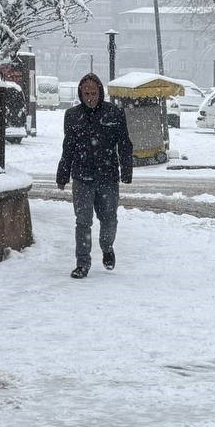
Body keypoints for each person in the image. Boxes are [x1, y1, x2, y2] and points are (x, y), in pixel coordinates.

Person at [55, 73, 133, 279]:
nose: (90, 97)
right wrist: (63, 173)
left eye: (94, 92)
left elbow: (124, 144)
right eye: (86, 93)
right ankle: (82, 262)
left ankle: (107, 247)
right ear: (80, 93)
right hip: (81, 177)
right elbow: (68, 148)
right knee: (83, 221)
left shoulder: (114, 113)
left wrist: (126, 169)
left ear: (100, 92)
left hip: (108, 177)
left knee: (109, 218)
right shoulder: (73, 116)